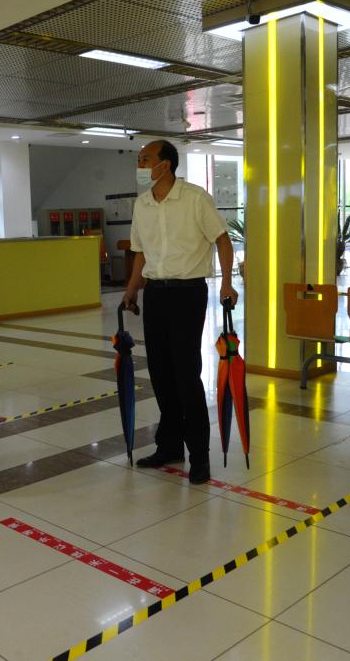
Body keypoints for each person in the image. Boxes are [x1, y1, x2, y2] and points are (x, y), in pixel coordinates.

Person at [122, 140, 238, 483]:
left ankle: (199, 455)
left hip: (188, 292)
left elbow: (222, 239)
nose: (141, 165)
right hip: (155, 293)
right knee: (160, 373)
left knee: (186, 374)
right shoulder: (142, 204)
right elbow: (140, 252)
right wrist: (132, 289)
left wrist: (227, 282)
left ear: (166, 164)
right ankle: (170, 445)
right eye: (139, 160)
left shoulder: (195, 198)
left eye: (146, 159)